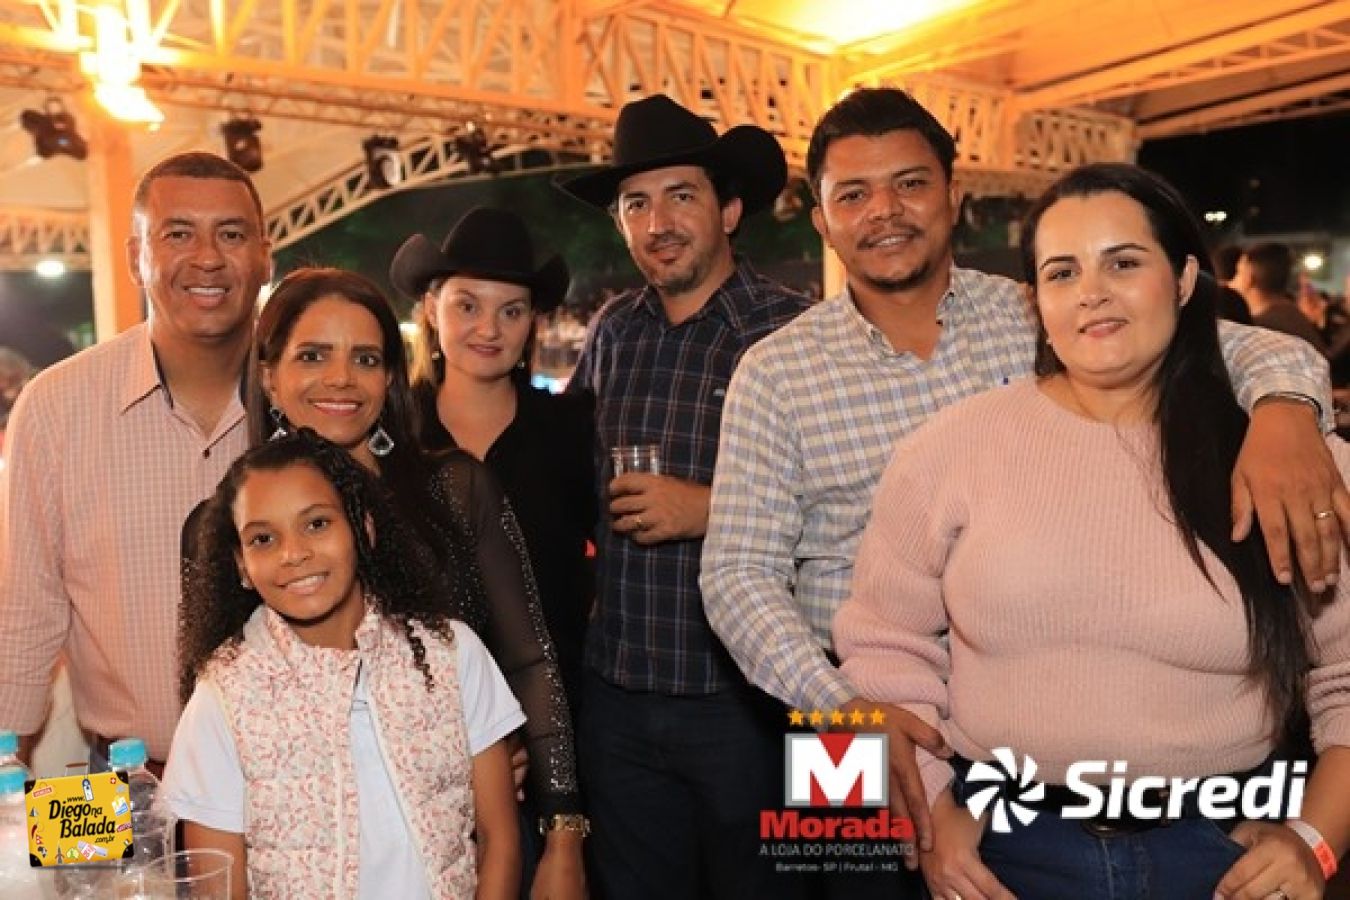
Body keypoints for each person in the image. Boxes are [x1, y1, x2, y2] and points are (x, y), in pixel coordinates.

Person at [700, 87, 1348, 890]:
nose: (884, 211)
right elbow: (736, 574)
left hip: (1120, 733)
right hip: (861, 700)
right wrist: (841, 709)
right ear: (822, 221)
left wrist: (1287, 412)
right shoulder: (777, 369)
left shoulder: (1039, 303)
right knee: (855, 884)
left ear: (954, 197)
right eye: (853, 194)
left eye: (910, 183)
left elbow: (1232, 349)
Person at [235, 266, 586, 896]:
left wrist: (562, 834)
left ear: (390, 377)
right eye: (313, 355)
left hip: (473, 838)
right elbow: (226, 698)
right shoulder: (235, 523)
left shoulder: (454, 489)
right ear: (269, 376)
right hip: (302, 854)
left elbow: (530, 658)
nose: (341, 378)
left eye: (365, 358)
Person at [557, 93, 812, 899]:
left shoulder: (795, 334)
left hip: (752, 705)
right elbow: (558, 473)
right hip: (620, 699)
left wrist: (710, 510)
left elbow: (857, 510)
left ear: (728, 211)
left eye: (680, 196)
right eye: (636, 204)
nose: (657, 221)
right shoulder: (613, 331)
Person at [0, 152, 272, 769]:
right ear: (135, 257)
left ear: (265, 256)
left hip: (300, 787)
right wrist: (7, 774)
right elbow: (24, 613)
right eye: (178, 234)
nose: (207, 258)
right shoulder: (56, 407)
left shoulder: (313, 402)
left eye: (231, 234)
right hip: (123, 782)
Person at [165, 430, 522, 898]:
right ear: (241, 566)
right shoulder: (224, 696)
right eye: (263, 538)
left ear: (363, 530)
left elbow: (500, 841)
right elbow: (218, 888)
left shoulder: (449, 652)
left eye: (316, 524)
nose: (293, 553)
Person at [393, 207, 596, 897]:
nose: (488, 328)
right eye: (467, 305)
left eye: (511, 311)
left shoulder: (572, 429)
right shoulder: (390, 435)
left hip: (562, 731)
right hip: (420, 739)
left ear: (532, 322)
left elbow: (596, 576)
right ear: (431, 308)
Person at [1234, 242, 1326, 349]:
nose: (1233, 282)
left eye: (1238, 273)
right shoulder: (1292, 316)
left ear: (1249, 276)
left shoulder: (1262, 328)